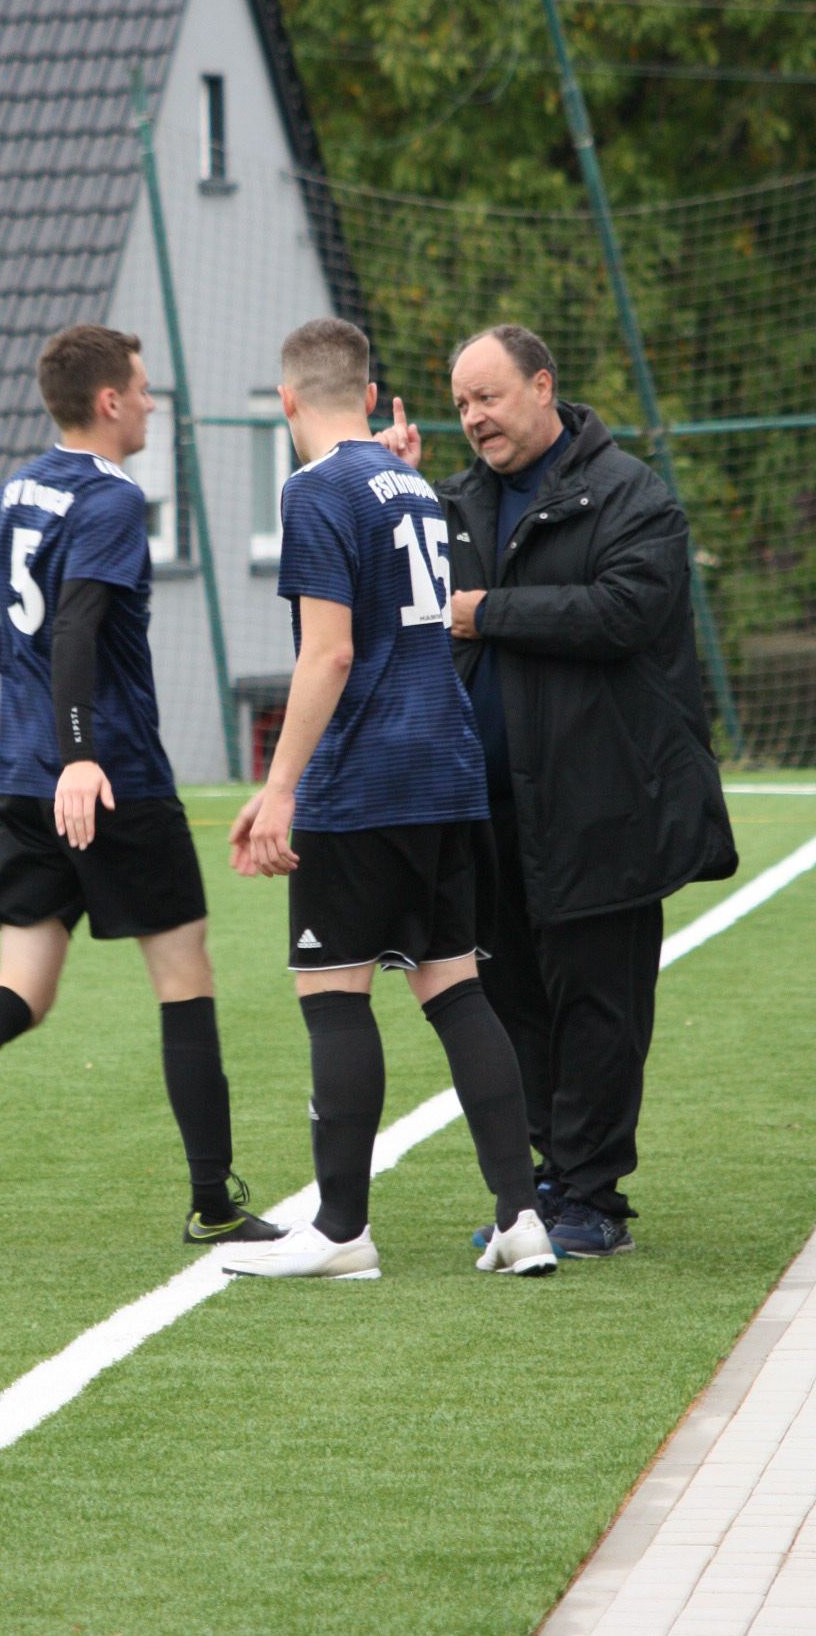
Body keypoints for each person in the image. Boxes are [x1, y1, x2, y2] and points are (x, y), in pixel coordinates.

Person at [0, 323, 279, 1260]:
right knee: (185, 977)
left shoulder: (18, 489)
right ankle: (214, 1203)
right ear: (110, 402)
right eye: (145, 386)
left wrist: (41, 708)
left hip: (24, 780)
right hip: (111, 776)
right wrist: (82, 746)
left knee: (23, 988)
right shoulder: (113, 499)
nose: (154, 401)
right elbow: (80, 626)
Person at [379, 323, 738, 1258]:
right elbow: (402, 596)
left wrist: (488, 613)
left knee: (599, 1006)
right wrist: (398, 493)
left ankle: (595, 1198)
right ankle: (550, 1177)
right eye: (461, 404)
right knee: (514, 1002)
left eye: (488, 397)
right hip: (487, 808)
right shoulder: (456, 502)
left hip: (602, 803)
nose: (474, 418)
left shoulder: (632, 494)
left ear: (543, 385)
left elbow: (627, 612)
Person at [223, 317, 556, 1282]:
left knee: (333, 994)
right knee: (454, 987)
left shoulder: (312, 489)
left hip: (363, 778)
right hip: (447, 770)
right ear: (370, 398)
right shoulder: (413, 481)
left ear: (289, 400)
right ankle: (521, 1218)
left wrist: (280, 787)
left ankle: (340, 1232)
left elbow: (328, 650)